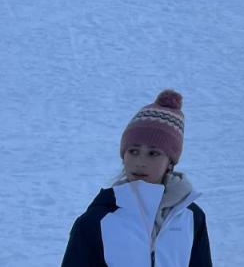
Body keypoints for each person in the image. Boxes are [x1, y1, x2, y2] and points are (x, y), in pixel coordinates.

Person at [61, 89, 212, 267]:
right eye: (133, 151)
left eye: (153, 153)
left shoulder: (191, 217)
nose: (140, 162)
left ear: (170, 162)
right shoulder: (96, 221)